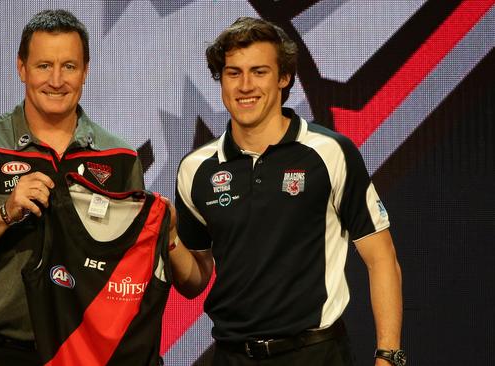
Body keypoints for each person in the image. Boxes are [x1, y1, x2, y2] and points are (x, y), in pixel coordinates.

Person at [169, 17, 404, 366]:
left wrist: (389, 356)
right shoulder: (196, 169)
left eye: (259, 72)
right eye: (233, 73)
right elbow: (195, 280)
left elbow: (381, 258)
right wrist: (170, 237)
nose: (245, 85)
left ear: (284, 78)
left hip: (316, 354)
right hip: (231, 356)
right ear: (221, 81)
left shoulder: (330, 152)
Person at [0, 9, 144, 366]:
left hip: (88, 353)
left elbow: (132, 270)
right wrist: (5, 213)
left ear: (85, 71)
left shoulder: (120, 158)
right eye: (43, 66)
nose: (56, 80)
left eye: (69, 67)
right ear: (21, 68)